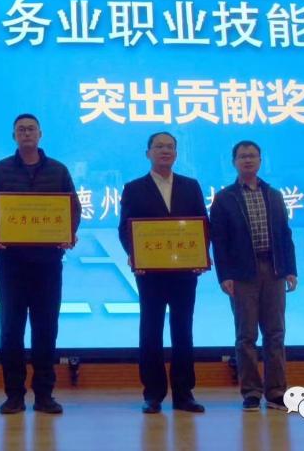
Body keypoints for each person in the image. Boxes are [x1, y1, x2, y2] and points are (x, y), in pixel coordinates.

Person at [0, 113, 81, 415]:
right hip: (11, 264)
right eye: (21, 130)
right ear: (14, 136)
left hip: (48, 264)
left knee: (46, 330)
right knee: (11, 330)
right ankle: (14, 395)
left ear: (40, 134)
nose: (26, 133)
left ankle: (45, 395)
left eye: (31, 129)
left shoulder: (58, 170)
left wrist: (68, 232)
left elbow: (73, 208)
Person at [118, 132, 208, 414]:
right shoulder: (134, 188)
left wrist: (201, 256)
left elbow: (202, 225)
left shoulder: (191, 186)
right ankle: (153, 394)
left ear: (176, 153)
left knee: (183, 331)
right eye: (159, 146)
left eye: (170, 147)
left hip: (184, 272)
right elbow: (125, 229)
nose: (165, 151)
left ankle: (184, 394)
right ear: (148, 153)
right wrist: (136, 255)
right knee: (151, 330)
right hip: (150, 273)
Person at [209, 140, 298, 412]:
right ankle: (250, 393)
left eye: (252, 156)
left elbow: (285, 235)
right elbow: (219, 241)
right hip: (242, 273)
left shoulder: (274, 195)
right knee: (246, 336)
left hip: (274, 270)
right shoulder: (224, 198)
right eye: (242, 156)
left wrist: (290, 269)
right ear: (234, 162)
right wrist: (224, 275)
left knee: (275, 333)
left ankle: (276, 393)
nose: (248, 160)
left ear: (260, 160)